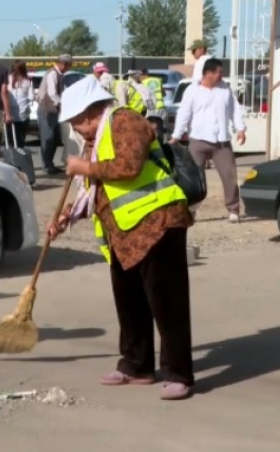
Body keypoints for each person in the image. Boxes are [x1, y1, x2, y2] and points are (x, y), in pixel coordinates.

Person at [48, 76, 195, 401]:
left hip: (158, 223)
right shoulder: (96, 139)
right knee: (129, 303)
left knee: (167, 303)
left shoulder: (127, 120)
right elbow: (96, 188)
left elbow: (128, 167)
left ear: (90, 112)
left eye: (75, 121)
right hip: (124, 233)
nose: (75, 128)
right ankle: (136, 365)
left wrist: (85, 167)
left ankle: (179, 373)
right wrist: (67, 214)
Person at [170, 58, 247, 223]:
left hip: (222, 141)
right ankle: (191, 211)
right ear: (208, 73)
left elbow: (235, 110)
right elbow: (184, 114)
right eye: (219, 72)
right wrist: (176, 136)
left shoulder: (225, 89)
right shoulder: (192, 91)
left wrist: (240, 128)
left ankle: (233, 210)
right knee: (193, 178)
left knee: (229, 175)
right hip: (198, 140)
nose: (221, 75)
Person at [37, 54, 72, 174]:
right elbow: (52, 94)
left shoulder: (59, 75)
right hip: (47, 110)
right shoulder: (52, 74)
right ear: (63, 64)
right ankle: (47, 166)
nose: (69, 67)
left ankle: (50, 164)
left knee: (54, 138)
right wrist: (62, 104)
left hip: (54, 110)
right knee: (48, 137)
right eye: (69, 65)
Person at [6, 61, 34, 148]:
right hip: (23, 114)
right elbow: (31, 97)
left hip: (10, 113)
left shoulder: (7, 79)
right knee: (21, 140)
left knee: (11, 139)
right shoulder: (28, 81)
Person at [140, 69, 167, 139]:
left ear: (142, 75)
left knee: (151, 127)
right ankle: (162, 143)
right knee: (160, 127)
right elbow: (164, 94)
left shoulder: (142, 83)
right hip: (161, 106)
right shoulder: (157, 80)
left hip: (151, 107)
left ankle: (154, 143)